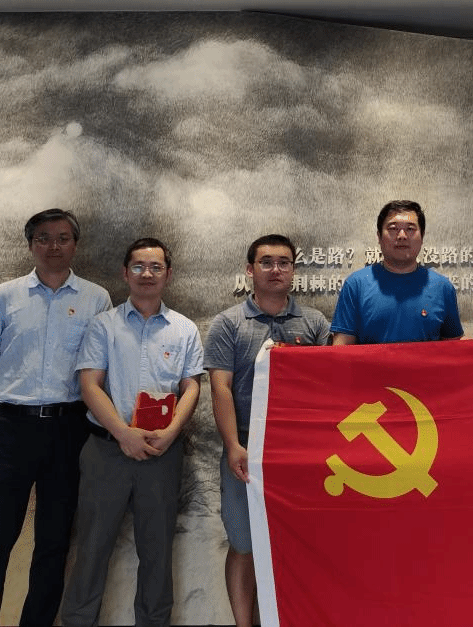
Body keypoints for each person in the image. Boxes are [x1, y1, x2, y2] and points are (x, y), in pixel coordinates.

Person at [0, 208, 111, 627]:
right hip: (11, 430)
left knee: (54, 543)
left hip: (69, 429)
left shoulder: (96, 298)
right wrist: (10, 406)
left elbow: (98, 368)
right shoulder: (2, 296)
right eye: (43, 238)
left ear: (75, 244)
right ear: (30, 245)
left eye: (63, 238)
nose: (53, 246)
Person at [61, 237, 204, 627]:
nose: (147, 274)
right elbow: (90, 385)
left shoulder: (184, 329)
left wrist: (171, 432)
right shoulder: (103, 325)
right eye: (139, 266)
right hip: (107, 451)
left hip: (161, 452)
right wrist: (124, 433)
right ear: (125, 273)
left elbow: (192, 386)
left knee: (157, 550)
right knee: (92, 547)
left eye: (156, 267)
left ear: (168, 275)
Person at [205, 234, 330, 627]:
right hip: (245, 452)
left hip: (300, 454)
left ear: (293, 270)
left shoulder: (314, 323)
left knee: (295, 543)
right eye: (266, 262)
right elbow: (220, 388)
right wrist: (233, 445)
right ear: (250, 269)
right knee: (244, 544)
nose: (276, 270)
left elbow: (331, 384)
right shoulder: (228, 323)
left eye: (284, 263)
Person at [332, 200, 464, 344]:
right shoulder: (356, 285)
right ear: (379, 237)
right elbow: (342, 347)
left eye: (410, 229)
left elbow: (453, 347)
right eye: (393, 229)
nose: (402, 235)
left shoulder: (442, 287)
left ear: (422, 237)